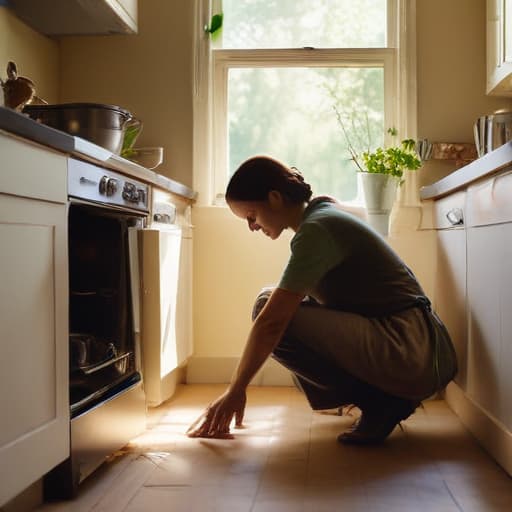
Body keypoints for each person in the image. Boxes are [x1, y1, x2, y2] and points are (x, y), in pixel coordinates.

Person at [187, 155, 457, 444]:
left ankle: (382, 403)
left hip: (411, 347)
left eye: (252, 216)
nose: (252, 226)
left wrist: (236, 389)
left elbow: (272, 322)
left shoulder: (317, 229)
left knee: (268, 310)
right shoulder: (322, 214)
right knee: (269, 299)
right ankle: (380, 398)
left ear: (275, 198)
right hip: (418, 344)